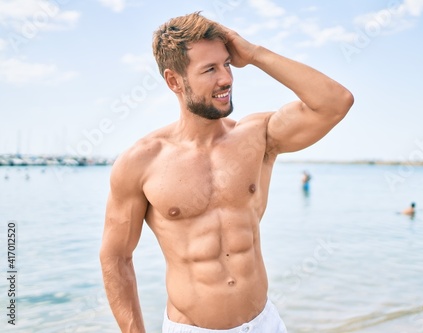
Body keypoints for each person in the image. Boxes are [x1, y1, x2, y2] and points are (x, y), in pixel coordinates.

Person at [99, 12, 353, 333]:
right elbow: (116, 258)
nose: (227, 78)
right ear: (174, 80)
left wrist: (255, 54)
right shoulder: (141, 162)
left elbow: (335, 102)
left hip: (264, 324)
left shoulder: (258, 136)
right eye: (210, 69)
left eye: (227, 64)